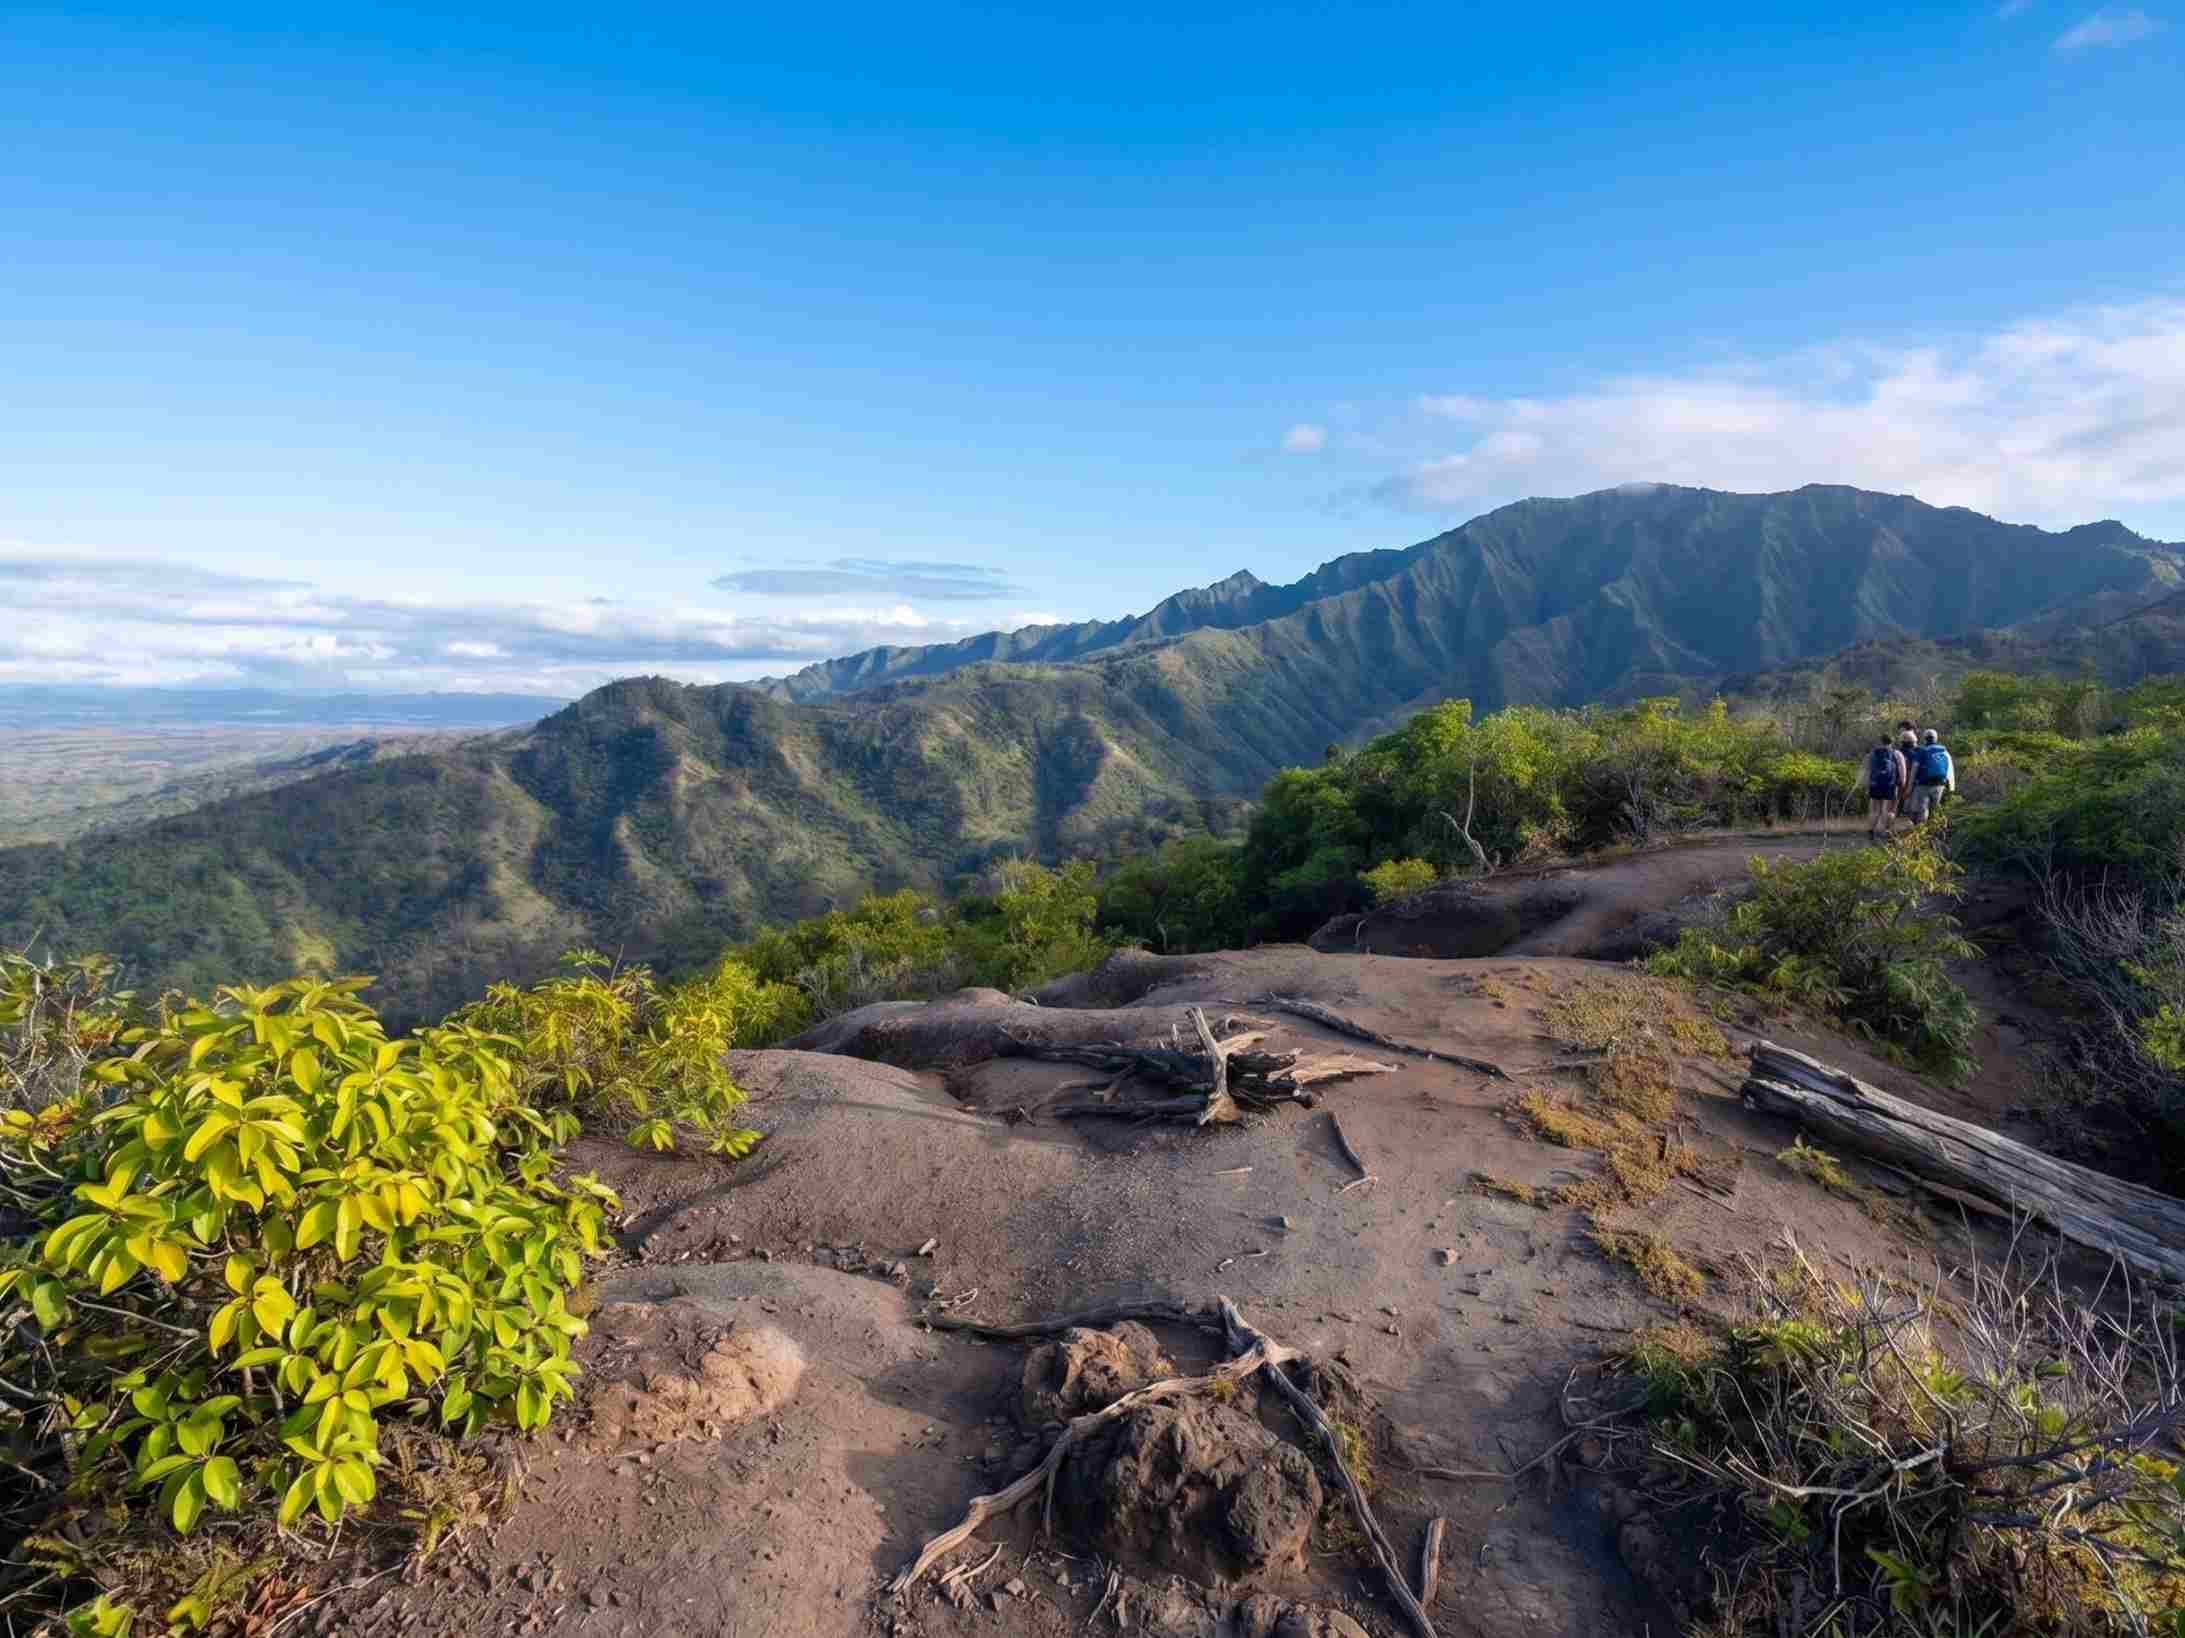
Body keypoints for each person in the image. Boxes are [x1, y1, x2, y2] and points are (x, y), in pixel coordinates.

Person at [1903, 727, 1955, 822]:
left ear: (1924, 738)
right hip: (1940, 784)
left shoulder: (1921, 751)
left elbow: (1914, 769)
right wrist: (1951, 787)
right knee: (1934, 809)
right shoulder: (1944, 751)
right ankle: (1931, 831)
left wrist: (1909, 787)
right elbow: (1949, 770)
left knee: (1923, 810)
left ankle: (1920, 831)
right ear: (1936, 738)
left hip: (1923, 784)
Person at [1864, 735, 1906, 839]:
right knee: (1889, 810)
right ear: (1892, 742)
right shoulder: (1897, 753)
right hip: (1890, 785)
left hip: (1875, 785)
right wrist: (1902, 783)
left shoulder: (1872, 753)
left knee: (1875, 810)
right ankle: (1887, 831)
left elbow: (1867, 770)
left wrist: (1868, 784)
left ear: (1880, 741)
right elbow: (1902, 769)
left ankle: (1871, 832)